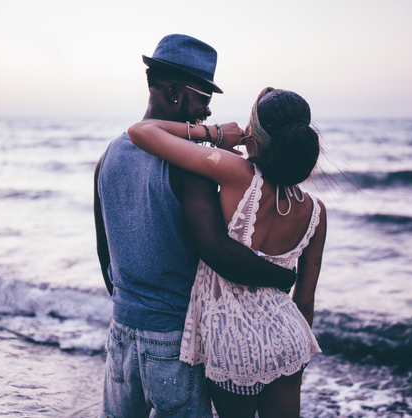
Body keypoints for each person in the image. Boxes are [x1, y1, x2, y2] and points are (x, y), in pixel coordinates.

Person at [94, 35, 296, 417]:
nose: (205, 112)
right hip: (173, 342)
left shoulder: (109, 154)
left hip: (120, 332)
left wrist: (130, 305)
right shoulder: (190, 169)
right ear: (172, 92)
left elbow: (104, 251)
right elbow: (214, 249)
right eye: (202, 99)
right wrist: (282, 276)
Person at [127, 87, 327, 418]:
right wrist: (292, 352)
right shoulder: (316, 211)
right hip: (291, 336)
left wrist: (215, 133)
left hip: (233, 338)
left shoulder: (235, 171)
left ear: (257, 136)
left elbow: (141, 131)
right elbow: (304, 300)